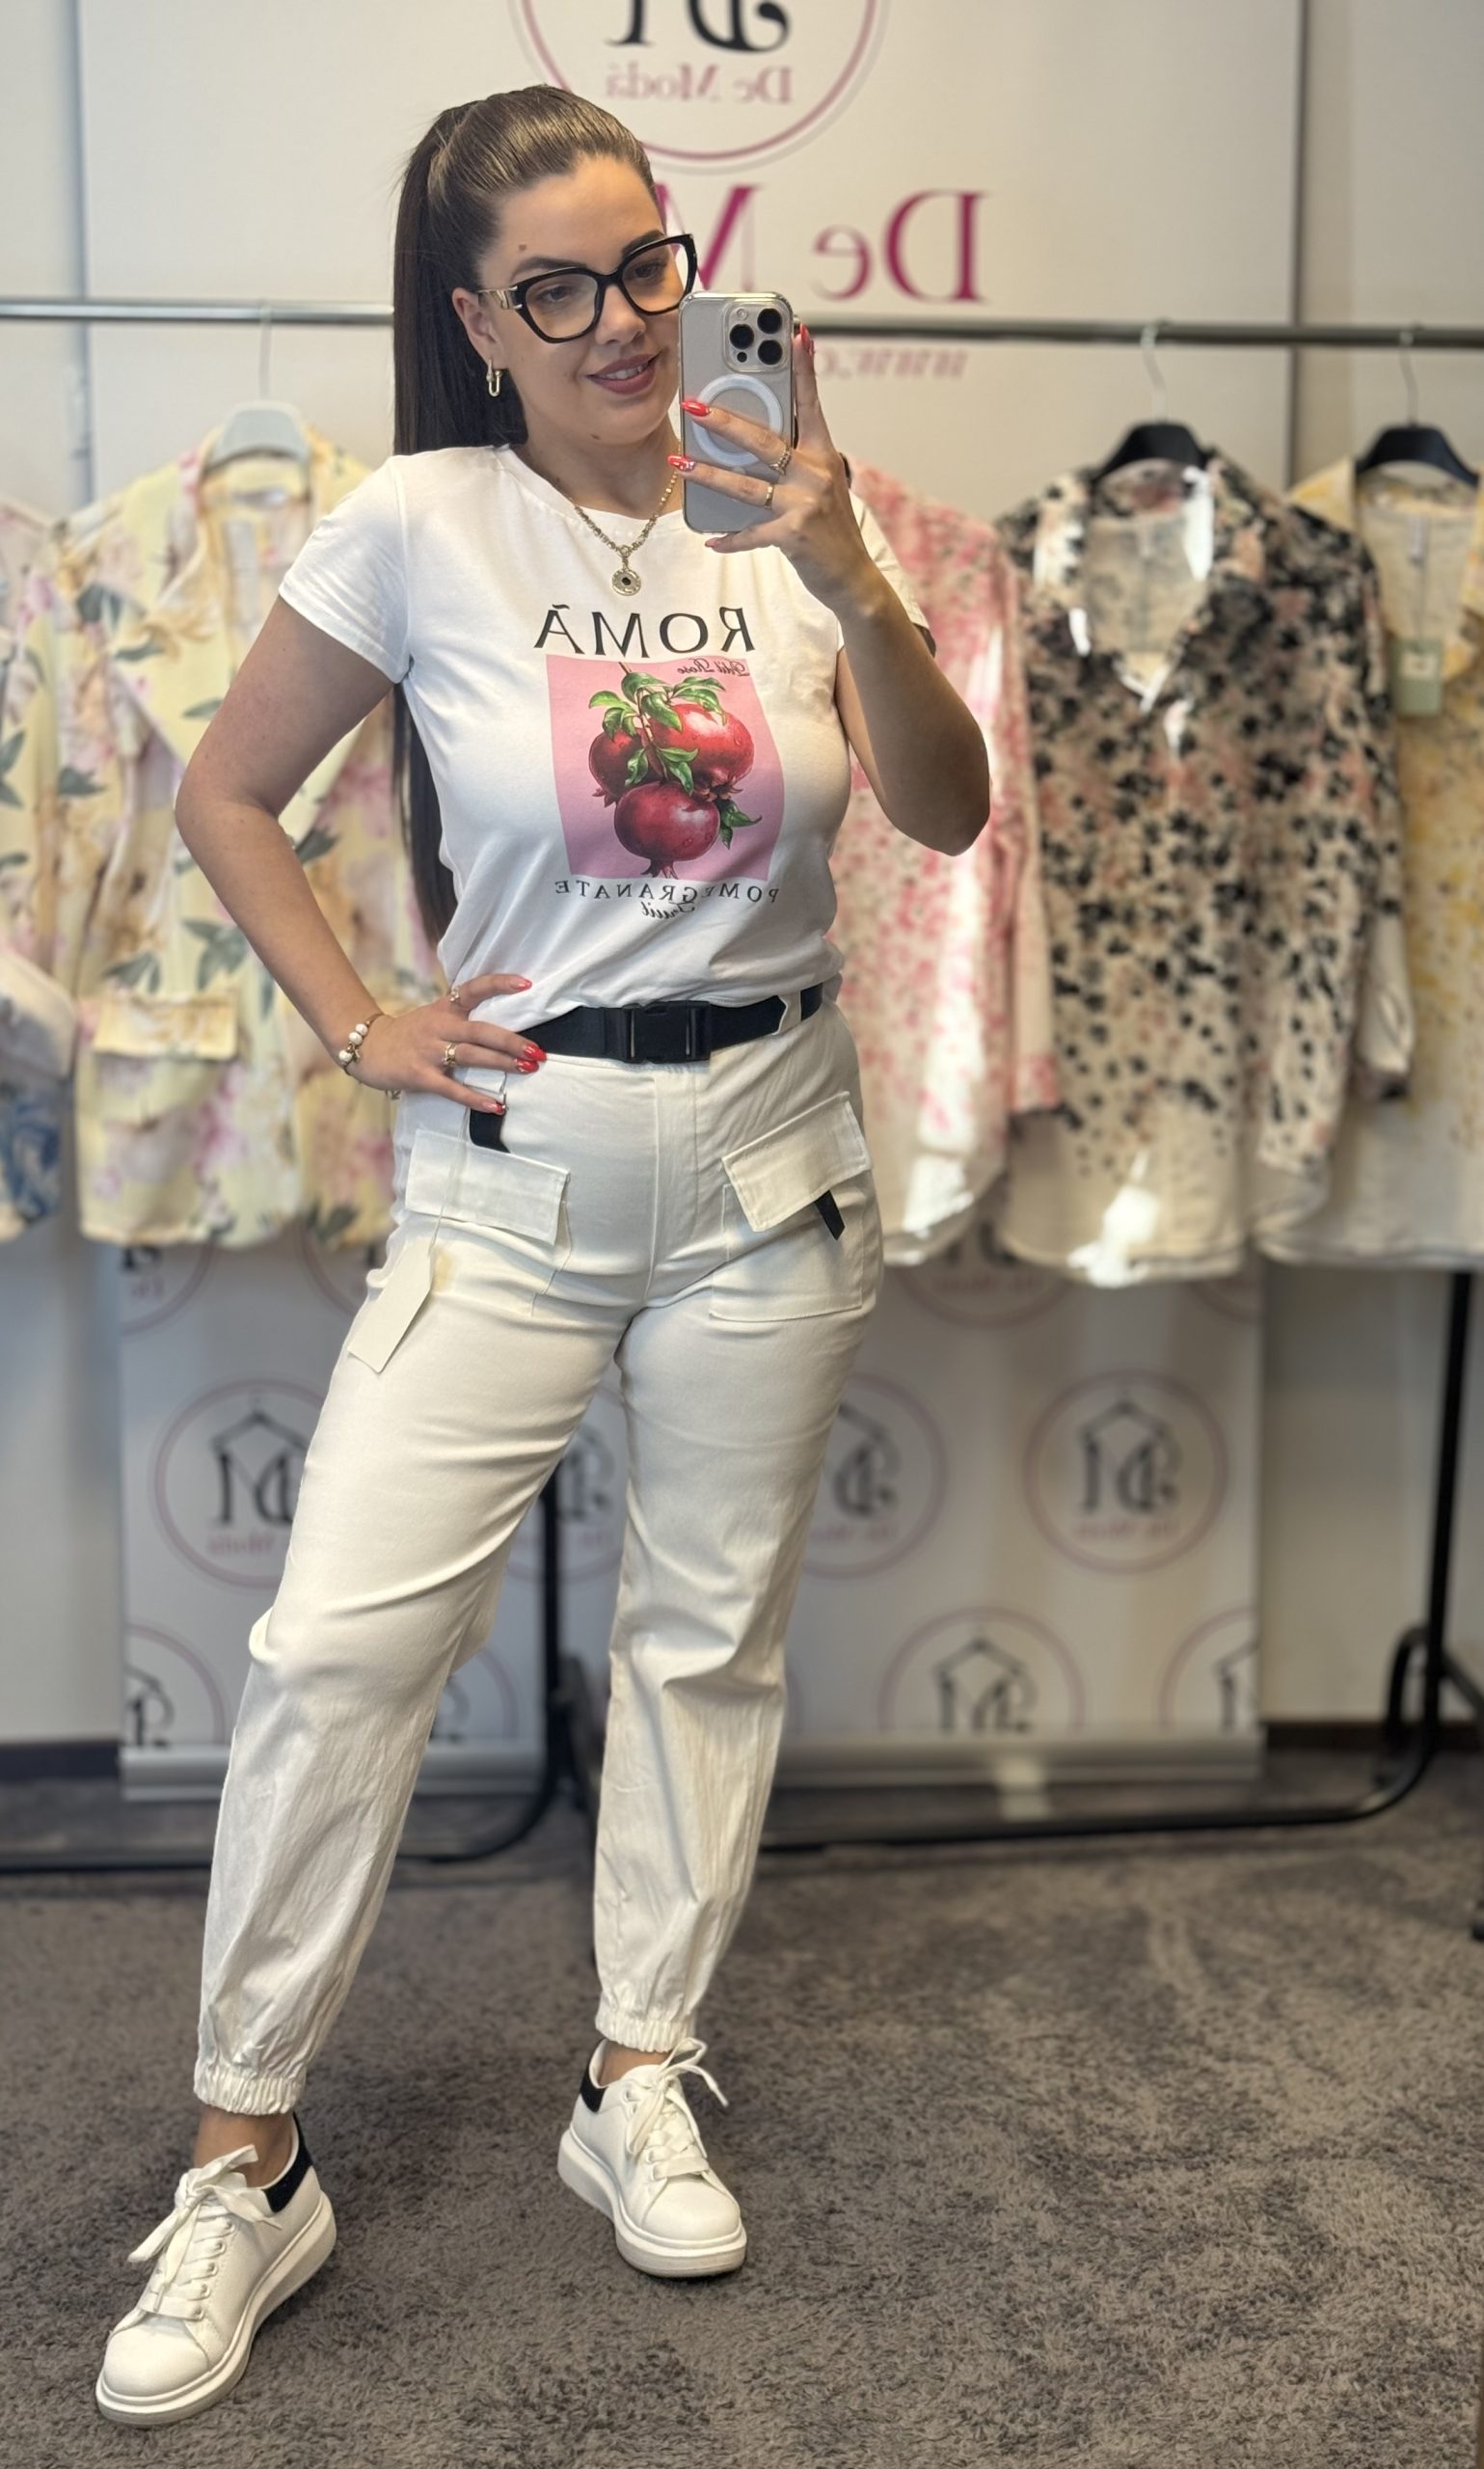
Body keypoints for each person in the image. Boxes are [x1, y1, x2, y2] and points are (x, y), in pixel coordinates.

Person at [94, 84, 989, 2427]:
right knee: (333, 1651)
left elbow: (944, 806)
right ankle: (244, 2155)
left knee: (703, 1640)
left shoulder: (793, 513)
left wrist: (844, 574)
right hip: (515, 1163)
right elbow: (227, 789)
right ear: (476, 322)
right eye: (557, 288)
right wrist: (355, 1016)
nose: (620, 319)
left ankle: (635, 2071)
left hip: (772, 1153)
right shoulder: (417, 523)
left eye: (645, 263)